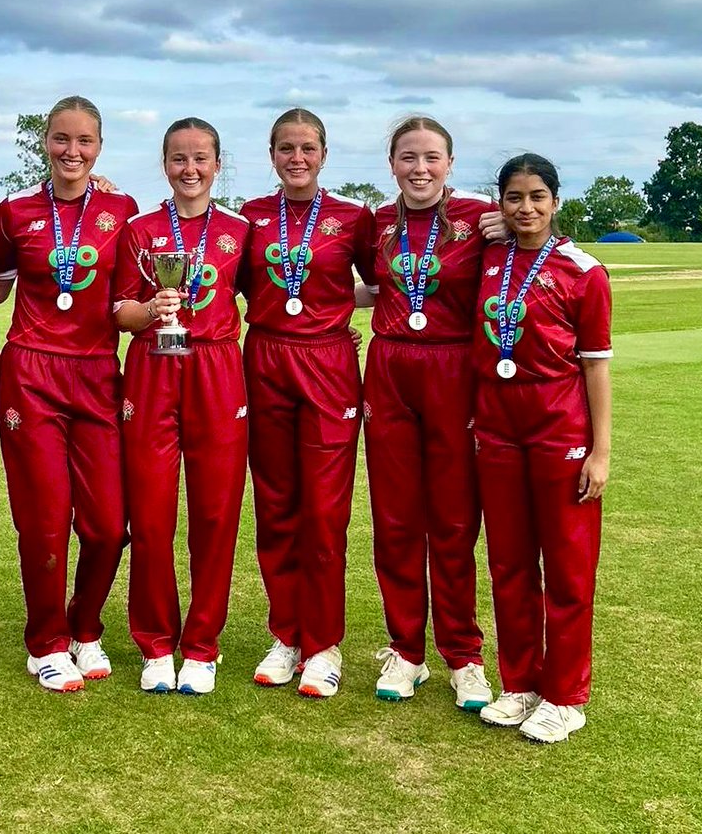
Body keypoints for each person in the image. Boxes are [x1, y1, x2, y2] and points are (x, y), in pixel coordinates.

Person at [0, 95, 139, 692]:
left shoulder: (122, 209)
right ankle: (47, 642)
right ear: (44, 143)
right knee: (45, 521)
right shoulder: (13, 212)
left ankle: (85, 624)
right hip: (31, 373)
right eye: (60, 138)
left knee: (108, 526)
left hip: (98, 372)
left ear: (100, 147)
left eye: (84, 141)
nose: (71, 151)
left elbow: (129, 296)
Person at [361, 117, 501, 709]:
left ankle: (464, 655)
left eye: (431, 157)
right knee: (395, 520)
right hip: (390, 369)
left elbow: (537, 241)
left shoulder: (481, 217)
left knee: (453, 521)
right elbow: (361, 285)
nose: (420, 169)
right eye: (408, 157)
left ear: (450, 162)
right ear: (392, 164)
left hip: (453, 370)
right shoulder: (376, 222)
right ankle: (406, 651)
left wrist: (512, 221)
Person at [472, 153, 612, 743]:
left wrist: (600, 452)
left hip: (559, 424)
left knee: (568, 567)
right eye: (513, 197)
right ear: (500, 203)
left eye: (536, 197)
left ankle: (565, 696)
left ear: (556, 201)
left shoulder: (584, 271)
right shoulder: (487, 257)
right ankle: (521, 683)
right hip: (496, 424)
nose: (525, 208)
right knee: (508, 563)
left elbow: (597, 366)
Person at [241, 108, 376, 698]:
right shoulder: (250, 216)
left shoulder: (353, 216)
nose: (297, 159)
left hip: (327, 365)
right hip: (266, 358)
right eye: (286, 148)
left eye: (307, 149)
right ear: (272, 154)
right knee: (275, 506)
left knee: (323, 512)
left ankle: (322, 643)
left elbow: (385, 281)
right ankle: (286, 635)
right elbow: (228, 279)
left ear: (324, 154)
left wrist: (337, 316)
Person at [113, 118, 251, 695]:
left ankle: (201, 645)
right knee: (150, 516)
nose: (189, 169)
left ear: (218, 163)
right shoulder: (138, 229)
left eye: (200, 158)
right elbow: (120, 310)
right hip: (152, 365)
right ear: (164, 163)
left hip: (216, 367)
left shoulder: (242, 230)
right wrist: (151, 310)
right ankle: (155, 642)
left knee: (215, 516)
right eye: (178, 158)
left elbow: (279, 297)